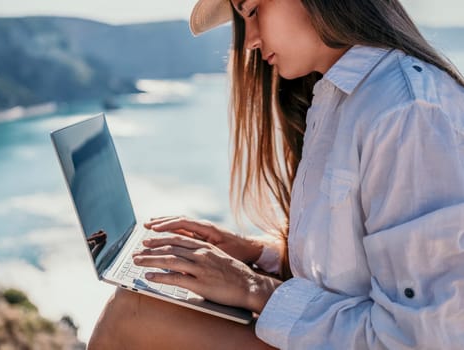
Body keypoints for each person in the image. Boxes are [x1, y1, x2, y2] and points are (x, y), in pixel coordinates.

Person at [88, 0, 464, 348]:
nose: (249, 40)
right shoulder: (338, 99)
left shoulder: (408, 111)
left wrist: (252, 287)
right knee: (141, 301)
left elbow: (423, 338)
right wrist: (256, 251)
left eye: (251, 11)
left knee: (134, 314)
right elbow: (355, 265)